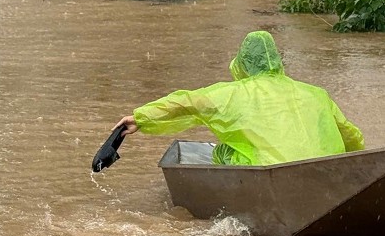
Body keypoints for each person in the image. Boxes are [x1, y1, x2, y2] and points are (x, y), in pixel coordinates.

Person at [114, 31, 364, 166]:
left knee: (224, 151)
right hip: (325, 171)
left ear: (243, 64)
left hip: (268, 171)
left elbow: (185, 102)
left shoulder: (232, 94)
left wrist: (141, 118)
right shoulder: (315, 93)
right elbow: (349, 135)